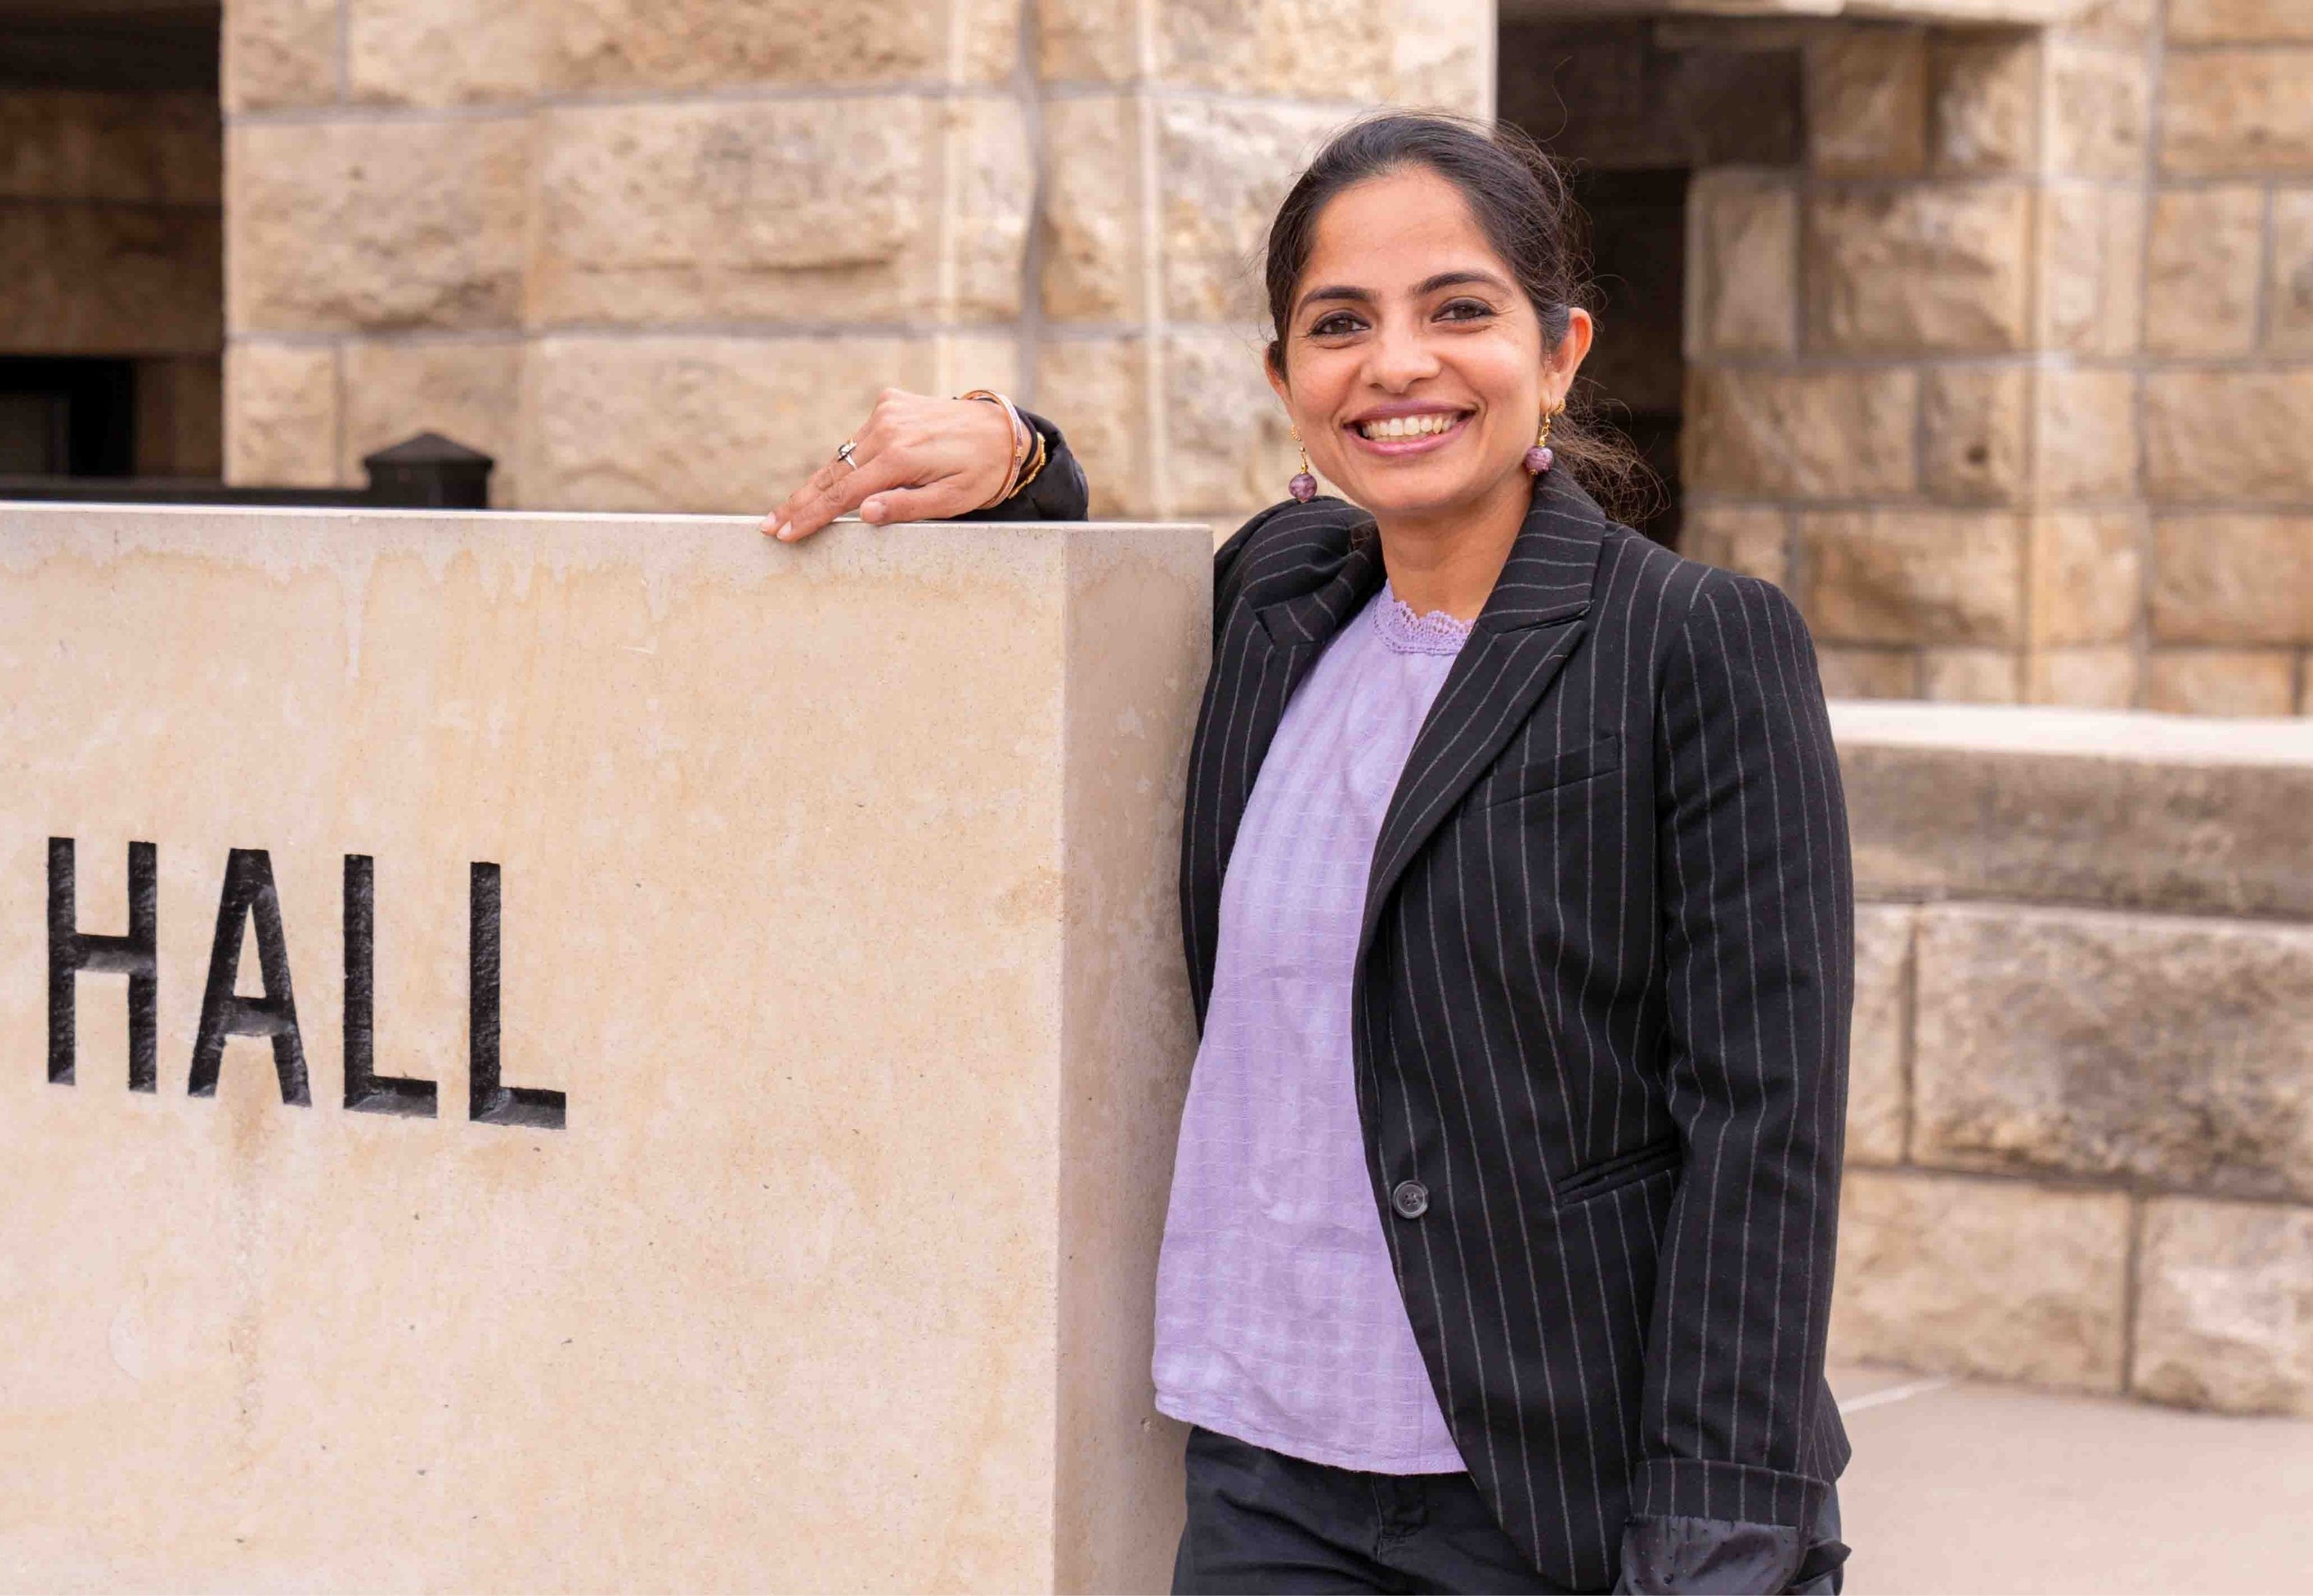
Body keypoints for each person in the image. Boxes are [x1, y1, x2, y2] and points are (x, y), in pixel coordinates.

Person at [762, 112, 1855, 1596]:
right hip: (1265, 1476)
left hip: (1551, 1491)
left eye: (1457, 310)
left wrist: (1725, 1524)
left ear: (1561, 349)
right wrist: (1016, 454)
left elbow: (1762, 1127)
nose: (1396, 364)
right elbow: (1097, 640)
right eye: (1339, 326)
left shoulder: (1694, 643)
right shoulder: (1282, 598)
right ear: (1287, 383)